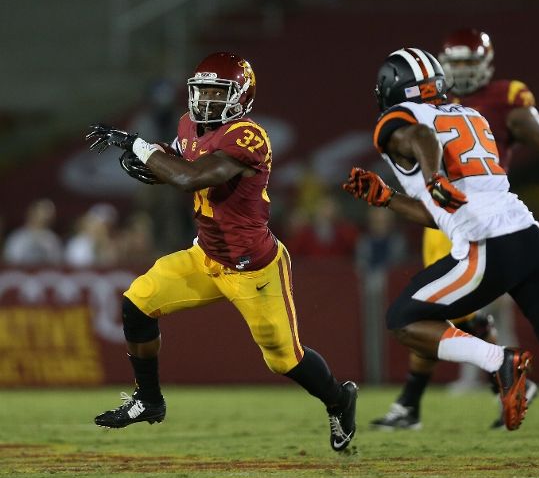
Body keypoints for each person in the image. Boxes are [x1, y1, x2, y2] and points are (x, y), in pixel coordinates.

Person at [343, 47, 539, 478]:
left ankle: (499, 361)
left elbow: (424, 141)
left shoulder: (397, 120)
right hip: (529, 238)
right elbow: (445, 208)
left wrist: (435, 179)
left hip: (487, 245)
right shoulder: (472, 117)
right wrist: (387, 198)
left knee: (403, 319)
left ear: (391, 89)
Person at [85, 52, 357, 452]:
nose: (207, 100)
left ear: (242, 96)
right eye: (203, 91)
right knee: (137, 304)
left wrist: (139, 147)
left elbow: (189, 176)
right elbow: (177, 157)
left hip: (253, 268)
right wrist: (153, 155)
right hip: (205, 256)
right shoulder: (189, 124)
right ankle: (148, 399)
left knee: (284, 359)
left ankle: (339, 399)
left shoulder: (248, 135)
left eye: (218, 91)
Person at [370, 29, 539, 430]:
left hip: (486, 216)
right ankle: (428, 397)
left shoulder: (502, 99)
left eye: (468, 63)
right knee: (440, 312)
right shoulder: (450, 108)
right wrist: (391, 196)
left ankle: (477, 377)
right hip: (457, 216)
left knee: (425, 313)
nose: (461, 71)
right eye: (454, 63)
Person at [3, 198, 63, 267]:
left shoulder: (52, 239)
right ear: (31, 213)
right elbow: (10, 262)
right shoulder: (17, 238)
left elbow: (57, 264)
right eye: (42, 212)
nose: (44, 217)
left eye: (48, 214)